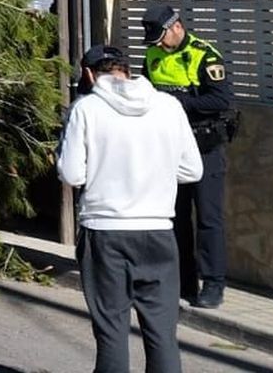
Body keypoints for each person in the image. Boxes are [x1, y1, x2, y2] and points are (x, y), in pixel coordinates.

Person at [58, 44, 203, 373]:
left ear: (88, 75)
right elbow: (192, 170)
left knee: (111, 331)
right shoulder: (168, 106)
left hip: (105, 231)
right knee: (163, 335)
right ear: (127, 69)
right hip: (159, 231)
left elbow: (72, 174)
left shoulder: (86, 109)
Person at [141, 7, 235, 309]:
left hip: (204, 146)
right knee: (176, 216)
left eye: (161, 37)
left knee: (208, 218)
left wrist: (178, 102)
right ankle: (184, 281)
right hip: (170, 147)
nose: (158, 44)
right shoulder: (153, 55)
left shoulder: (204, 55)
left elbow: (221, 99)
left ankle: (213, 283)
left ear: (176, 27)